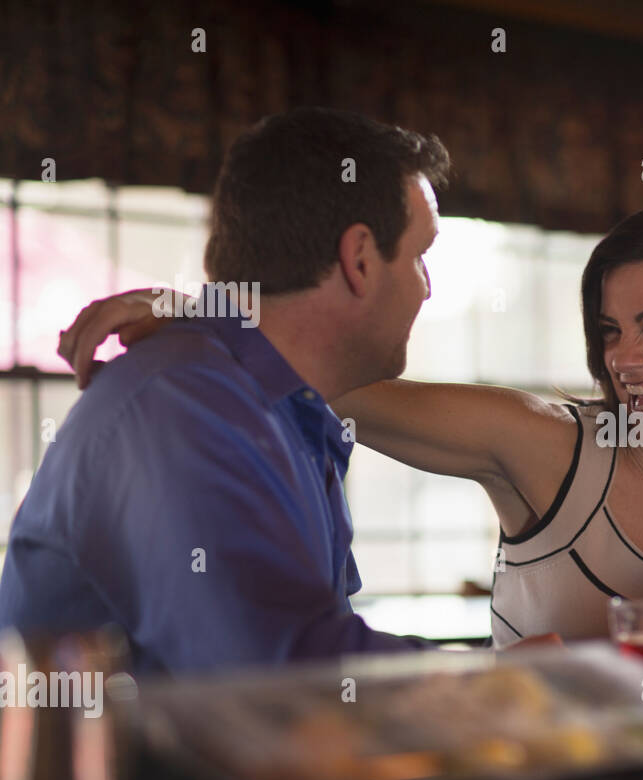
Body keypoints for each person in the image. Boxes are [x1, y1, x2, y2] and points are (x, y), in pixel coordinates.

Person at [58, 191, 643, 686]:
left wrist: (577, 665)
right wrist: (213, 315)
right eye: (610, 330)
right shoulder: (545, 442)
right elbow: (333, 377)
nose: (622, 359)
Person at [0, 107, 479, 675]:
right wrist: (504, 684)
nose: (428, 289)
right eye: (421, 256)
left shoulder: (278, 407)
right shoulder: (184, 403)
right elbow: (282, 677)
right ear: (359, 260)